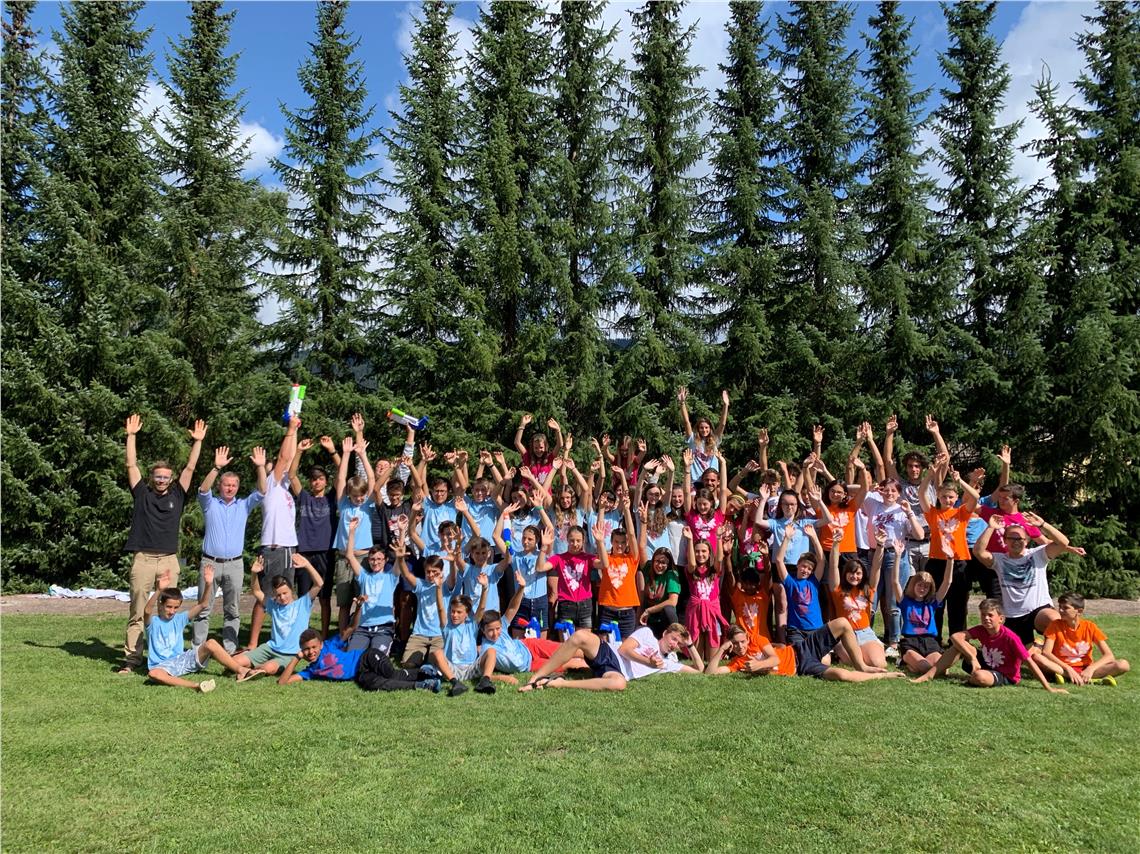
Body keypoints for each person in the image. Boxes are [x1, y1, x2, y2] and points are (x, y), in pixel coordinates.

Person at [119, 413, 207, 674]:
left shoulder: (178, 494)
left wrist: (198, 441)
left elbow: (190, 468)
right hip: (143, 559)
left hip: (168, 560)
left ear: (170, 479)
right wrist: (131, 436)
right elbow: (131, 465)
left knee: (169, 609)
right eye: (157, 477)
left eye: (165, 477)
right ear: (152, 478)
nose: (161, 480)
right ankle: (132, 660)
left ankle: (167, 656)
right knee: (138, 611)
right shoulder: (142, 493)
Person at [191, 444, 267, 653]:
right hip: (210, 563)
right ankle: (197, 651)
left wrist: (261, 467)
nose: (230, 488)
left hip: (234, 564)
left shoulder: (243, 505)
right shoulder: (210, 504)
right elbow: (203, 490)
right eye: (226, 485)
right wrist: (216, 468)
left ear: (237, 487)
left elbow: (262, 491)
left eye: (233, 485)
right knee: (203, 607)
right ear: (220, 486)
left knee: (232, 610)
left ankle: (230, 651)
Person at [275, 600, 442, 692]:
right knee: (377, 685)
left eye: (313, 647)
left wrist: (359, 607)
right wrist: (296, 658)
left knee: (390, 673)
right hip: (360, 675)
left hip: (366, 657)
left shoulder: (330, 645)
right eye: (306, 649)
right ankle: (423, 685)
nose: (311, 652)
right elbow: (282, 682)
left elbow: (351, 628)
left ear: (320, 645)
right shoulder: (311, 671)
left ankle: (425, 672)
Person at [972, 512, 1083, 648]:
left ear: (1027, 541)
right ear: (1005, 541)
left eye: (1020, 539)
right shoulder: (999, 560)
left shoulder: (1038, 554)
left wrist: (1043, 525)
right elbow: (978, 551)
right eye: (1011, 538)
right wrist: (991, 527)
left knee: (1055, 620)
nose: (1016, 542)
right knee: (1025, 655)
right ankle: (1037, 647)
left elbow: (1063, 543)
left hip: (1038, 610)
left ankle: (1068, 653)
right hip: (1012, 615)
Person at [912, 599, 1065, 693]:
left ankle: (973, 678)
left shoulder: (1011, 637)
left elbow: (1029, 662)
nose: (986, 618)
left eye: (990, 615)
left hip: (1005, 674)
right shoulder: (981, 630)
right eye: (983, 615)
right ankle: (929, 675)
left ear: (1001, 619)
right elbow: (955, 637)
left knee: (980, 677)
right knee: (957, 646)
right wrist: (973, 658)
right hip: (985, 663)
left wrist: (1048, 688)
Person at [144, 565, 251, 690]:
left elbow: (203, 604)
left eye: (175, 607)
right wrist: (158, 590)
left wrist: (209, 584)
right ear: (161, 604)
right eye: (168, 607)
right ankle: (196, 686)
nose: (172, 611)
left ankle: (241, 670)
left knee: (211, 643)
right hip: (161, 666)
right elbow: (147, 611)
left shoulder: (180, 618)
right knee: (154, 673)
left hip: (182, 660)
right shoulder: (153, 622)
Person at [246, 414, 302, 649]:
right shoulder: (270, 485)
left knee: (285, 595)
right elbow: (284, 458)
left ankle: (285, 638)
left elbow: (289, 460)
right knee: (266, 597)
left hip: (287, 548)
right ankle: (253, 643)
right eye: (277, 470)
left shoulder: (286, 489)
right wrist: (290, 428)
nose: (282, 470)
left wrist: (295, 428)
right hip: (274, 549)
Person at [518, 623, 702, 692]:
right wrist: (649, 662)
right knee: (580, 636)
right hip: (609, 652)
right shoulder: (647, 634)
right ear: (665, 633)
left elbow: (700, 670)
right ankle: (536, 678)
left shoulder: (668, 663)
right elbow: (624, 650)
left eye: (678, 644)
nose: (674, 644)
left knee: (619, 684)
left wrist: (690, 645)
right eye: (674, 639)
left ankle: (559, 683)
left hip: (615, 671)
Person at [918, 454, 980, 641]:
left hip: (959, 561)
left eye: (951, 497)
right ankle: (934, 639)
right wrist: (930, 475)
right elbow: (921, 493)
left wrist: (960, 481)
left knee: (958, 605)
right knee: (935, 602)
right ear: (938, 496)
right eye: (944, 496)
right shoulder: (933, 513)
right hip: (937, 562)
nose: (948, 499)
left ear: (956, 498)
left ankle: (957, 642)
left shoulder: (961, 512)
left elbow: (975, 496)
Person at [234, 553, 323, 680]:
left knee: (269, 668)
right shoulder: (273, 605)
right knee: (236, 661)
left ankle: (249, 670)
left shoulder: (303, 604)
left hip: (289, 654)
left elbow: (319, 584)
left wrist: (307, 565)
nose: (282, 597)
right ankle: (245, 668)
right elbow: (256, 591)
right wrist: (254, 573)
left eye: (285, 593)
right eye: (278, 595)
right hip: (270, 648)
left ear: (291, 590)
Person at [290, 435, 341, 637]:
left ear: (326, 482)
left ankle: (324, 635)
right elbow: (292, 475)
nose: (316, 482)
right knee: (304, 597)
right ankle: (302, 634)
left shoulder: (332, 498)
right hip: (304, 553)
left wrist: (332, 450)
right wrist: (299, 451)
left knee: (325, 598)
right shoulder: (304, 498)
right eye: (313, 479)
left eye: (320, 478)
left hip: (326, 553)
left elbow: (342, 472)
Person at [888, 536, 954, 675]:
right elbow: (895, 582)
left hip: (930, 641)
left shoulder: (932, 602)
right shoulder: (905, 601)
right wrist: (898, 556)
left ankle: (912, 664)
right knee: (924, 668)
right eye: (919, 585)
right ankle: (907, 661)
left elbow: (947, 582)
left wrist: (950, 559)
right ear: (913, 585)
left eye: (926, 586)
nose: (922, 589)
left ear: (930, 588)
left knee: (942, 670)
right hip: (910, 642)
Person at [1038, 592, 1130, 686]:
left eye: (1065, 608)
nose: (1060, 610)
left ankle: (1069, 677)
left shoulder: (1090, 627)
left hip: (1085, 669)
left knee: (1123, 665)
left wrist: (1091, 668)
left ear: (1079, 611)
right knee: (1038, 658)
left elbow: (1109, 656)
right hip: (1062, 667)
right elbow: (1046, 652)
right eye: (1060, 607)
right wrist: (1068, 668)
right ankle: (1090, 679)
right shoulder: (1055, 625)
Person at [825, 530, 885, 669]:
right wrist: (836, 544)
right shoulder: (838, 589)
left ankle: (867, 650)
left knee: (879, 663)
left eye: (858, 573)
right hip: (845, 634)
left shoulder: (868, 589)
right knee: (855, 662)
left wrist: (880, 545)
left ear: (863, 575)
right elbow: (833, 566)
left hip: (865, 632)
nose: (854, 576)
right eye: (851, 573)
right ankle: (843, 652)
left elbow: (876, 568)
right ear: (845, 574)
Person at [430, 575, 499, 696]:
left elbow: (481, 608)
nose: (454, 615)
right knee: (437, 652)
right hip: (453, 669)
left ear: (467, 614)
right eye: (452, 611)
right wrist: (439, 588)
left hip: (471, 668)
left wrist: (485, 588)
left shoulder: (472, 625)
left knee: (491, 651)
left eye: (459, 612)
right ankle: (455, 683)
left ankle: (485, 681)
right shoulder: (447, 626)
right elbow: (440, 608)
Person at [344, 518, 400, 653]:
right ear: (368, 560)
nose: (375, 562)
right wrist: (351, 531)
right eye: (372, 559)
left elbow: (400, 556)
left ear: (386, 560)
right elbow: (350, 555)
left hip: (383, 628)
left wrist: (402, 532)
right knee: (352, 658)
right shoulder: (364, 576)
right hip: (362, 628)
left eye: (379, 559)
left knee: (376, 658)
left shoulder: (391, 577)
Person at [594, 498, 642, 640]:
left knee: (625, 648)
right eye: (616, 542)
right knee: (604, 646)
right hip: (607, 611)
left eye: (622, 542)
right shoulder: (606, 558)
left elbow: (632, 535)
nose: (619, 545)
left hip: (627, 613)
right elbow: (600, 532)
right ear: (611, 542)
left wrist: (626, 510)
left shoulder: (631, 558)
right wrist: (601, 510)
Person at [772, 520, 826, 645]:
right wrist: (787, 538)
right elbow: (779, 560)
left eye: (809, 569)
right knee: (799, 654)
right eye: (803, 566)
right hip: (796, 631)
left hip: (815, 628)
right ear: (797, 565)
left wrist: (814, 537)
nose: (805, 570)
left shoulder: (813, 582)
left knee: (824, 657)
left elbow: (822, 560)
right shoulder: (790, 582)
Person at [681, 527, 728, 662]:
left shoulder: (715, 570)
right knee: (698, 658)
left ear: (709, 553)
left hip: (712, 611)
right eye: (697, 551)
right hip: (696, 612)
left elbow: (719, 559)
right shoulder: (690, 570)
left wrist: (718, 538)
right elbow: (691, 563)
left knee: (712, 658)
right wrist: (690, 540)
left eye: (703, 551)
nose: (700, 554)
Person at [540, 524, 597, 631]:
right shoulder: (558, 558)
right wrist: (543, 548)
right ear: (567, 540)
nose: (575, 544)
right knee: (566, 641)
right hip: (566, 604)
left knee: (584, 640)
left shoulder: (588, 558)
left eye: (578, 541)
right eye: (572, 540)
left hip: (585, 605)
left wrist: (600, 542)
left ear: (583, 541)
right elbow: (540, 567)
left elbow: (604, 565)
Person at [677, 386, 728, 485]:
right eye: (701, 428)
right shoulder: (693, 440)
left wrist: (725, 405)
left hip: (711, 480)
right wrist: (682, 403)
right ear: (698, 429)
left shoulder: (714, 440)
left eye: (706, 427)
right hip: (696, 481)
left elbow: (722, 424)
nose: (704, 430)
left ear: (710, 428)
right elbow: (686, 422)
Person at [639, 547, 683, 637]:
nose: (659, 565)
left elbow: (672, 601)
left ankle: (675, 635)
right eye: (657, 561)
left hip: (663, 620)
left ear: (668, 564)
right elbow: (641, 547)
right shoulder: (648, 569)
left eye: (663, 563)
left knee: (668, 609)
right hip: (648, 620)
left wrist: (649, 610)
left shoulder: (671, 574)